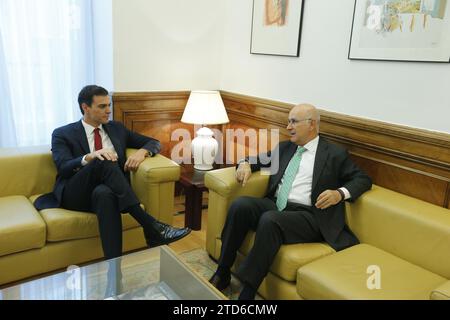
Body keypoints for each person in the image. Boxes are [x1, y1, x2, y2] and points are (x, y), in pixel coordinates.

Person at [208, 103, 372, 300]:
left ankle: (248, 293)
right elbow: (257, 159)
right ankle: (223, 271)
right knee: (240, 205)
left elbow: (362, 179)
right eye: (288, 122)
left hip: (309, 215)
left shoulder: (334, 154)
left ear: (311, 124)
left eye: (293, 122)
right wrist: (244, 164)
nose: (288, 127)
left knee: (270, 220)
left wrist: (339, 193)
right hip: (276, 204)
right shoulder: (285, 148)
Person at [35, 85, 190, 259]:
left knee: (105, 194)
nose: (109, 110)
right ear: (85, 108)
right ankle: (151, 226)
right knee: (104, 160)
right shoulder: (63, 133)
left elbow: (153, 142)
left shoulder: (117, 129)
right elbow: (63, 167)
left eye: (109, 105)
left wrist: (142, 152)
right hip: (75, 192)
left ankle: (114, 275)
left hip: (109, 192)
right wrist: (91, 156)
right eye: (102, 106)